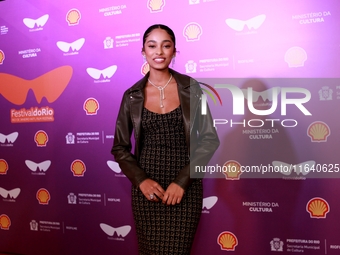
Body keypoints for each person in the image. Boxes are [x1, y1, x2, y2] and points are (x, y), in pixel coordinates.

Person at [111, 24, 219, 255]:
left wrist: (182, 182)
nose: (159, 51)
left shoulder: (192, 89)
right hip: (148, 189)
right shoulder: (132, 95)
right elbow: (119, 147)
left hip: (185, 186)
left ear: (174, 51)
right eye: (152, 45)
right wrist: (141, 180)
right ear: (143, 51)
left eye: (166, 45)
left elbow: (209, 139)